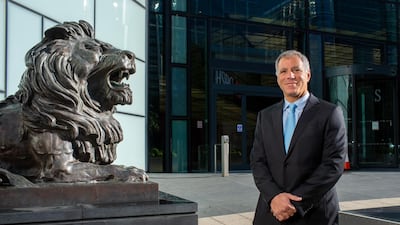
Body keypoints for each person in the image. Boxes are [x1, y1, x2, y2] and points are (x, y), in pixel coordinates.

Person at [250, 50, 347, 225]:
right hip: (271, 211)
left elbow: (333, 164)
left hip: (314, 213)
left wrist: (294, 203)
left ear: (308, 75)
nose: (290, 76)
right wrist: (274, 197)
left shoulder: (330, 113)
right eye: (284, 71)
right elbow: (258, 161)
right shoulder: (265, 116)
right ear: (278, 77)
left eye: (296, 70)